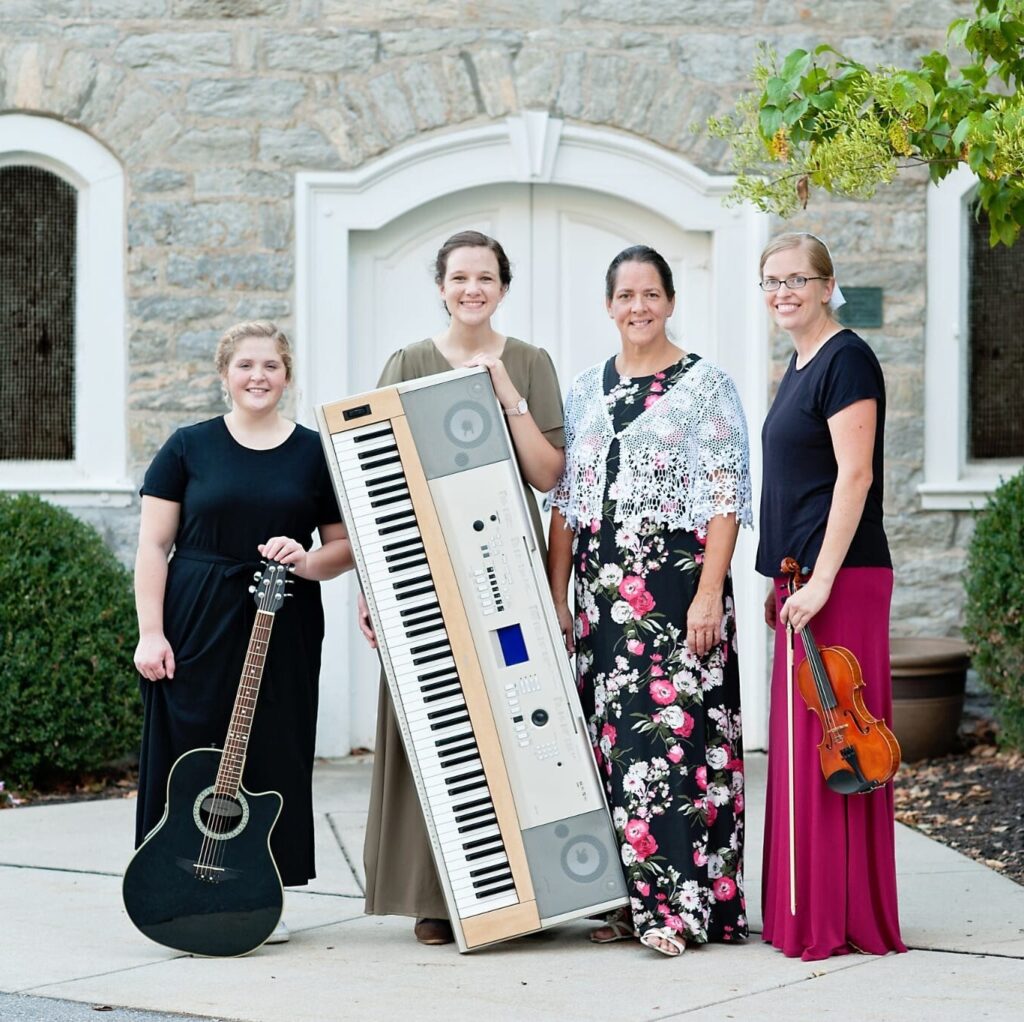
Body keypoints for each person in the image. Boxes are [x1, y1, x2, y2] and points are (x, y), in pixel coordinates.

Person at [359, 230, 566, 946]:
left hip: (509, 571)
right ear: (441, 287)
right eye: (459, 278)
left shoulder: (532, 364)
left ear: (502, 286)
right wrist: (371, 586)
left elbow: (549, 475)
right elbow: (374, 478)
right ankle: (434, 895)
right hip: (422, 569)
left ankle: (526, 891)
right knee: (435, 722)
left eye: (485, 277)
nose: (472, 289)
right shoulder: (409, 362)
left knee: (519, 723)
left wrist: (505, 393)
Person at [548, 245, 751, 957]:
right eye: (625, 295)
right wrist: (556, 594)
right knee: (612, 747)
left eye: (651, 294)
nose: (639, 307)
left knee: (673, 750)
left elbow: (725, 500)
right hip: (602, 599)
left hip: (675, 593)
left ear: (670, 301)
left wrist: (706, 598)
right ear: (608, 306)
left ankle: (679, 911)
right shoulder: (583, 391)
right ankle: (626, 904)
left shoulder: (706, 386)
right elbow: (567, 503)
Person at [133, 320, 352, 944]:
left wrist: (305, 561)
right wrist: (152, 633)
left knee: (271, 750)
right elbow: (153, 544)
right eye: (246, 365)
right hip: (196, 618)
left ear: (287, 375)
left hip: (283, 619)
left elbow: (344, 549)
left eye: (272, 366)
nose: (259, 377)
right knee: (190, 751)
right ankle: (175, 885)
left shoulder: (314, 452)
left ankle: (261, 889)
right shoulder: (187, 446)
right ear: (224, 373)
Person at [756, 232, 907, 960]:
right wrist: (787, 577)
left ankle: (841, 917)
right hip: (807, 579)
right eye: (771, 281)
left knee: (844, 742)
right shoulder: (799, 364)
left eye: (796, 279)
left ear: (826, 284)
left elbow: (854, 478)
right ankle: (808, 909)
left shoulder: (847, 359)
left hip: (841, 579)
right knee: (808, 748)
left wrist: (817, 581)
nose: (783, 292)